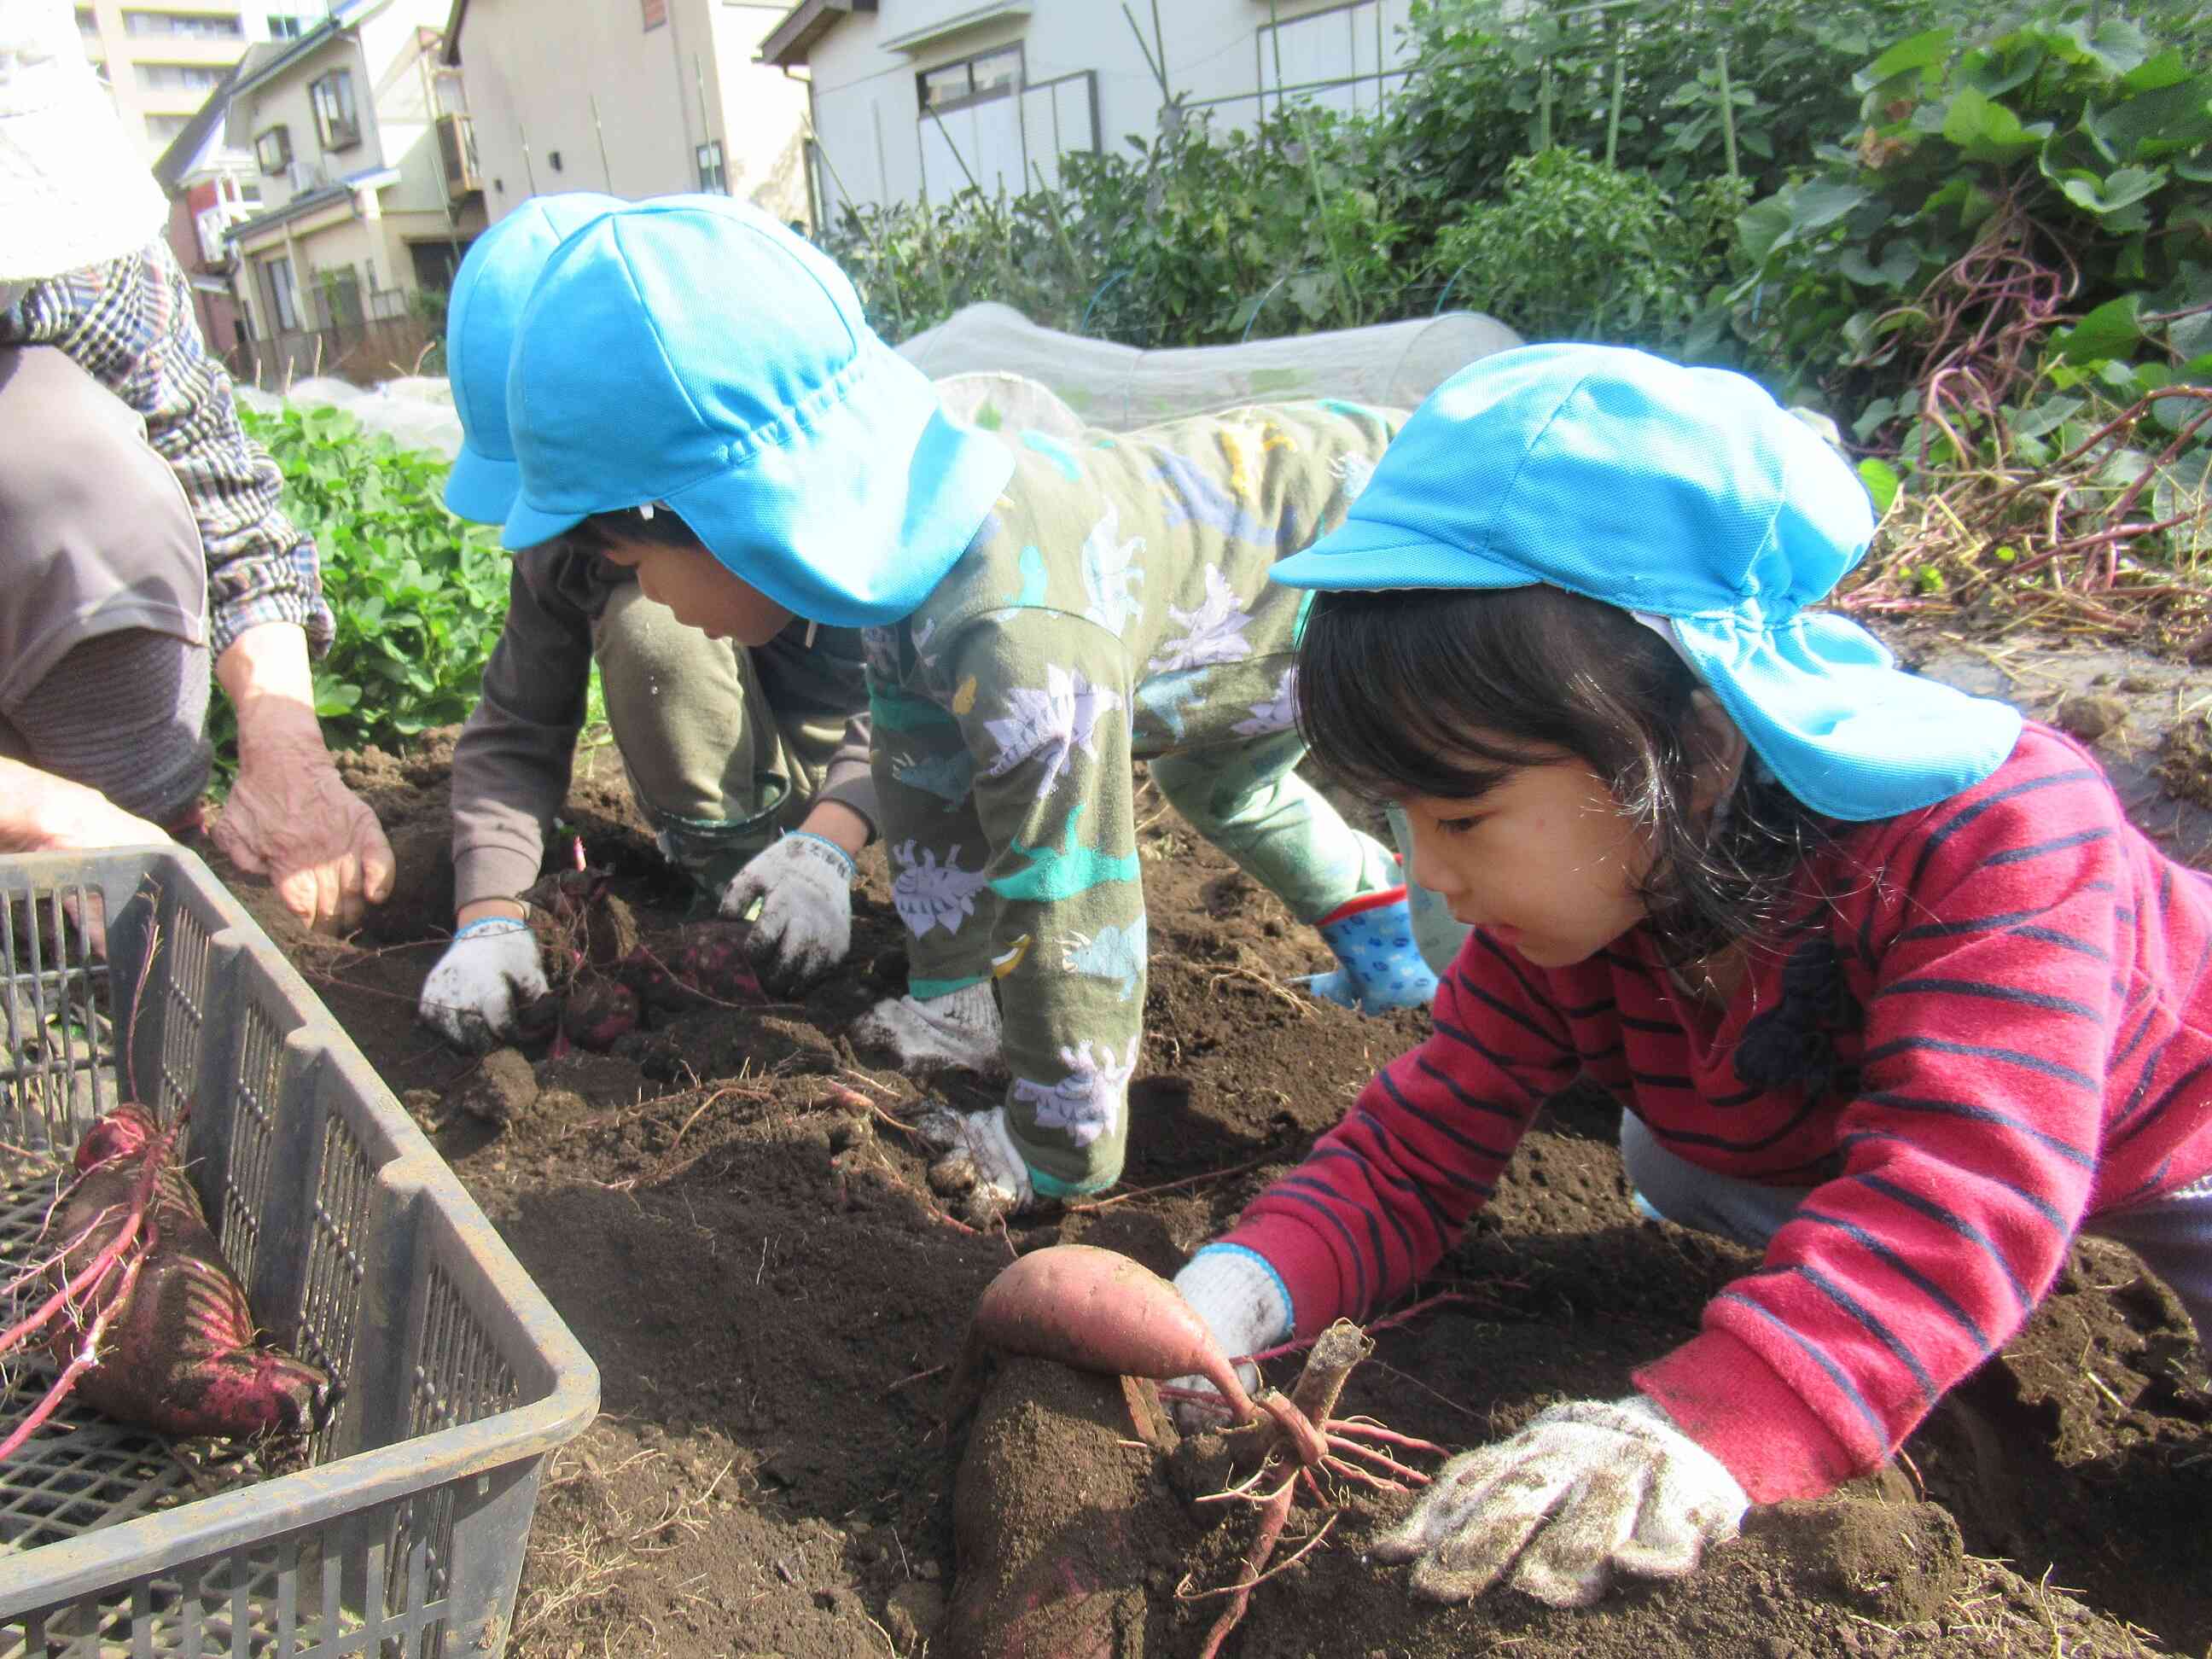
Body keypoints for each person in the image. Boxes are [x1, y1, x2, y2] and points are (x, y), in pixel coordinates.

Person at [1167, 343, 2212, 1609]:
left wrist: (1709, 1424)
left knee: (1937, 1235)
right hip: (1829, 1128)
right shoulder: (1577, 920)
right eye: (1398, 815)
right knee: (1673, 1155)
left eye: (1462, 815)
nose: (1426, 870)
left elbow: (1971, 1186)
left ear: (1692, 744)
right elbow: (1416, 1150)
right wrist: (1236, 1293)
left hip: (2161, 1129)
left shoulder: (1997, 835)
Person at [491, 197, 1438, 1209]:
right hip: (1234, 616)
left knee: (1450, 808)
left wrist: (1053, 1144)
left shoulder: (1012, 632)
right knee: (1223, 785)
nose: (659, 606)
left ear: (728, 514)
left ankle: (1467, 995)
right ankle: (1390, 960)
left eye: (638, 565)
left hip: (1365, 564)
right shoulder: (907, 561)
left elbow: (1071, 888)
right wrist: (953, 995)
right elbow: (922, 776)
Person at [415, 195, 881, 1050]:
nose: (585, 539)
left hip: (881, 787)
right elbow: (517, 734)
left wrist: (832, 845)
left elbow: (916, 702)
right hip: (771, 784)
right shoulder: (572, 549)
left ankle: (806, 885)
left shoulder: (821, 483)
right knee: (651, 629)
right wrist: (487, 915)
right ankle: (733, 887)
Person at [0, 0, 392, 931]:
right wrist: (35, 809)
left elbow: (213, 470)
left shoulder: (72, 263)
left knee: (70, 474)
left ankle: (138, 866)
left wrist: (287, 748)